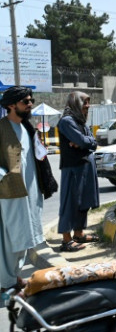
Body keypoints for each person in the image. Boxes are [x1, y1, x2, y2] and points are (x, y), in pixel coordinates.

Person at [0, 87, 45, 290]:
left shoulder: (27, 128)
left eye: (30, 100)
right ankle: (6, 281)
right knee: (9, 237)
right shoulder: (2, 128)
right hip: (9, 191)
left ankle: (15, 275)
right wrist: (4, 177)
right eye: (25, 101)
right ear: (11, 105)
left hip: (30, 189)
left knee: (25, 234)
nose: (30, 104)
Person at [57, 91, 100, 252]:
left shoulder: (80, 121)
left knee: (84, 203)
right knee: (70, 203)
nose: (88, 106)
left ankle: (79, 234)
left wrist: (84, 142)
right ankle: (66, 240)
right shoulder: (67, 121)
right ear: (75, 103)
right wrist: (84, 142)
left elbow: (93, 143)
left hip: (85, 167)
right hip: (73, 168)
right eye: (84, 102)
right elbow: (84, 140)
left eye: (88, 102)